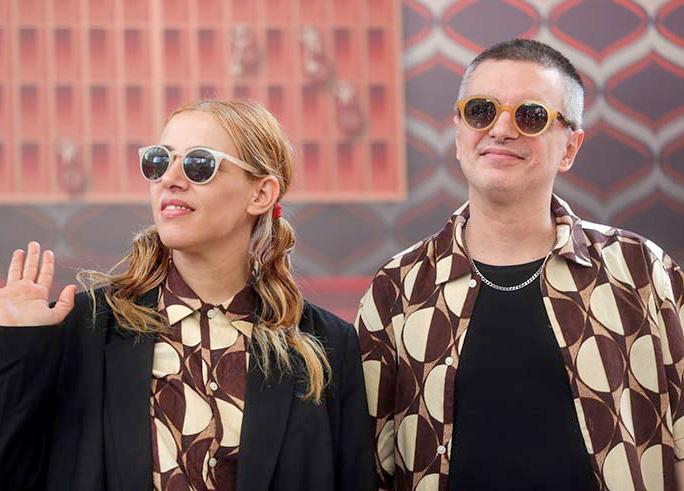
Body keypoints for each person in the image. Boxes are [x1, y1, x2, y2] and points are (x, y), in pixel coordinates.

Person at [355, 39, 684, 491]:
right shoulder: (399, 288)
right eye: (481, 111)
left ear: (570, 147)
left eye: (530, 116)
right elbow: (369, 464)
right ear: (458, 133)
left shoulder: (641, 272)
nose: (501, 129)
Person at [0, 99, 375, 491]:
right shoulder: (83, 328)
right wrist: (19, 350)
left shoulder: (328, 346)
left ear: (261, 194)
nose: (170, 179)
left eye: (199, 164)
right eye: (159, 162)